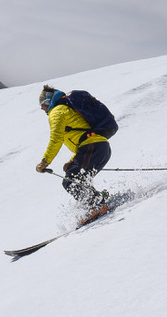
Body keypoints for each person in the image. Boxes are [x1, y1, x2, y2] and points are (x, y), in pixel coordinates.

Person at [35, 84, 111, 220]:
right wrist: (72, 161)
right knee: (76, 177)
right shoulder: (66, 110)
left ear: (48, 102)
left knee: (70, 181)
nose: (42, 108)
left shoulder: (56, 112)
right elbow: (81, 138)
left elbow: (56, 138)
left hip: (92, 147)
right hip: (98, 147)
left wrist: (44, 161)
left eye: (42, 104)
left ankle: (96, 206)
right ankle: (99, 201)